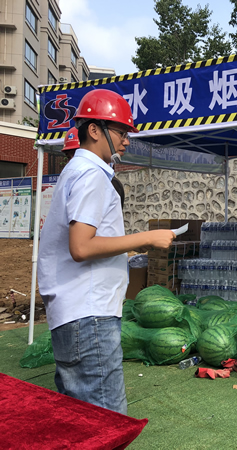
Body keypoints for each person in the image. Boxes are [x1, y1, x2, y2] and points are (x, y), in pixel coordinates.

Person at [38, 89, 176, 415]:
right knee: (106, 420)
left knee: (81, 419)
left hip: (77, 312)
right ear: (95, 130)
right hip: (89, 316)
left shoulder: (78, 171)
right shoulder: (91, 175)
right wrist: (145, 238)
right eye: (121, 131)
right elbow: (81, 246)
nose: (126, 140)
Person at [62, 126, 125, 209]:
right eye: (68, 157)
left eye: (77, 153)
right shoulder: (68, 179)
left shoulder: (109, 183)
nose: (73, 160)